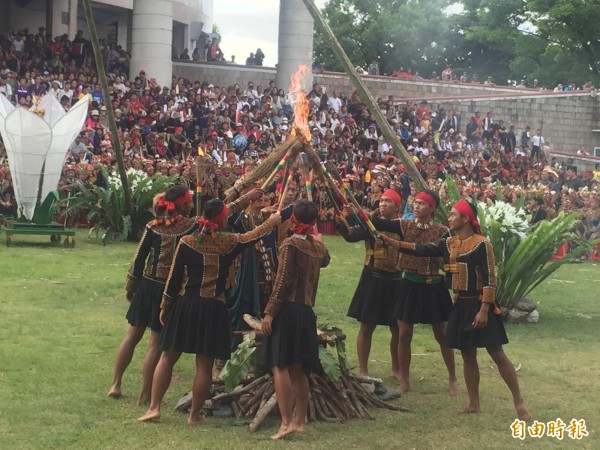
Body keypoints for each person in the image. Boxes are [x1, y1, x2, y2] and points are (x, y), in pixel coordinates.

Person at [380, 199, 530, 420]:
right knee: (468, 354)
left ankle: (519, 403)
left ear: (465, 219)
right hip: (460, 304)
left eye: (452, 215)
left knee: (497, 353)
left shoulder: (482, 244)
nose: (449, 218)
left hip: (479, 303)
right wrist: (393, 243)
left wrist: (484, 310)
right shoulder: (449, 243)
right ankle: (473, 403)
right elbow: (422, 250)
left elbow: (490, 278)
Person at [139, 197, 281, 424]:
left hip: (186, 304)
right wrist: (274, 220)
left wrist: (165, 306)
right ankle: (194, 416)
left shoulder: (187, 241)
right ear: (223, 220)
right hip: (213, 306)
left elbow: (174, 279)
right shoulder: (229, 242)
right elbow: (254, 235)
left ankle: (154, 408)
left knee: (167, 357)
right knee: (204, 365)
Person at [108, 186, 196, 403]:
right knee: (155, 344)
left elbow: (139, 259)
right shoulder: (189, 226)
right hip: (169, 290)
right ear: (183, 205)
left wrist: (132, 286)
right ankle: (145, 394)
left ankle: (115, 383)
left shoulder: (153, 226)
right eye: (190, 201)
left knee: (132, 336)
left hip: (147, 285)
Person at [370, 190, 458, 395]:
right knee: (404, 333)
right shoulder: (405, 225)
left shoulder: (443, 231)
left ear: (432, 208)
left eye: (421, 204)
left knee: (441, 333)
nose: (416, 207)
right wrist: (354, 213)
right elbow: (379, 223)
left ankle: (453, 377)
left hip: (433, 285)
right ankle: (405, 380)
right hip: (409, 283)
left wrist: (455, 285)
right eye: (415, 203)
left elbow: (450, 260)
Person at [261, 199, 330, 440]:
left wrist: (270, 311)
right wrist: (318, 239)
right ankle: (300, 420)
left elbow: (282, 282)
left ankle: (286, 422)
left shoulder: (289, 244)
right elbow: (327, 259)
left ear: (292, 220)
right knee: (299, 368)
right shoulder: (318, 248)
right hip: (306, 312)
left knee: (280, 365)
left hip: (288, 310)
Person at [337, 189, 402, 379]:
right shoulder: (368, 222)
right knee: (367, 326)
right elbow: (351, 236)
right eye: (381, 200)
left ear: (397, 206)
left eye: (388, 201)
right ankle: (363, 370)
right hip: (373, 278)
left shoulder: (404, 226)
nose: (382, 204)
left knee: (397, 328)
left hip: (397, 280)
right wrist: (343, 222)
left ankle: (397, 369)